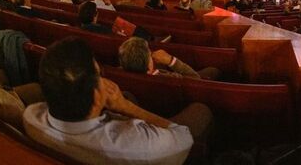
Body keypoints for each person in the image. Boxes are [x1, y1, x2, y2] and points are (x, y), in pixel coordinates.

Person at [24, 37, 211, 165]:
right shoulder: (139, 145)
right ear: (98, 97)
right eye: (99, 74)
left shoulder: (31, 116)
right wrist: (125, 106)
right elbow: (183, 136)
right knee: (201, 108)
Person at [118, 37, 219, 80]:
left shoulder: (121, 73)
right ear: (148, 65)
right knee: (213, 71)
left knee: (211, 70)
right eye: (149, 53)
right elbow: (195, 79)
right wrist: (171, 61)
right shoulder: (168, 78)